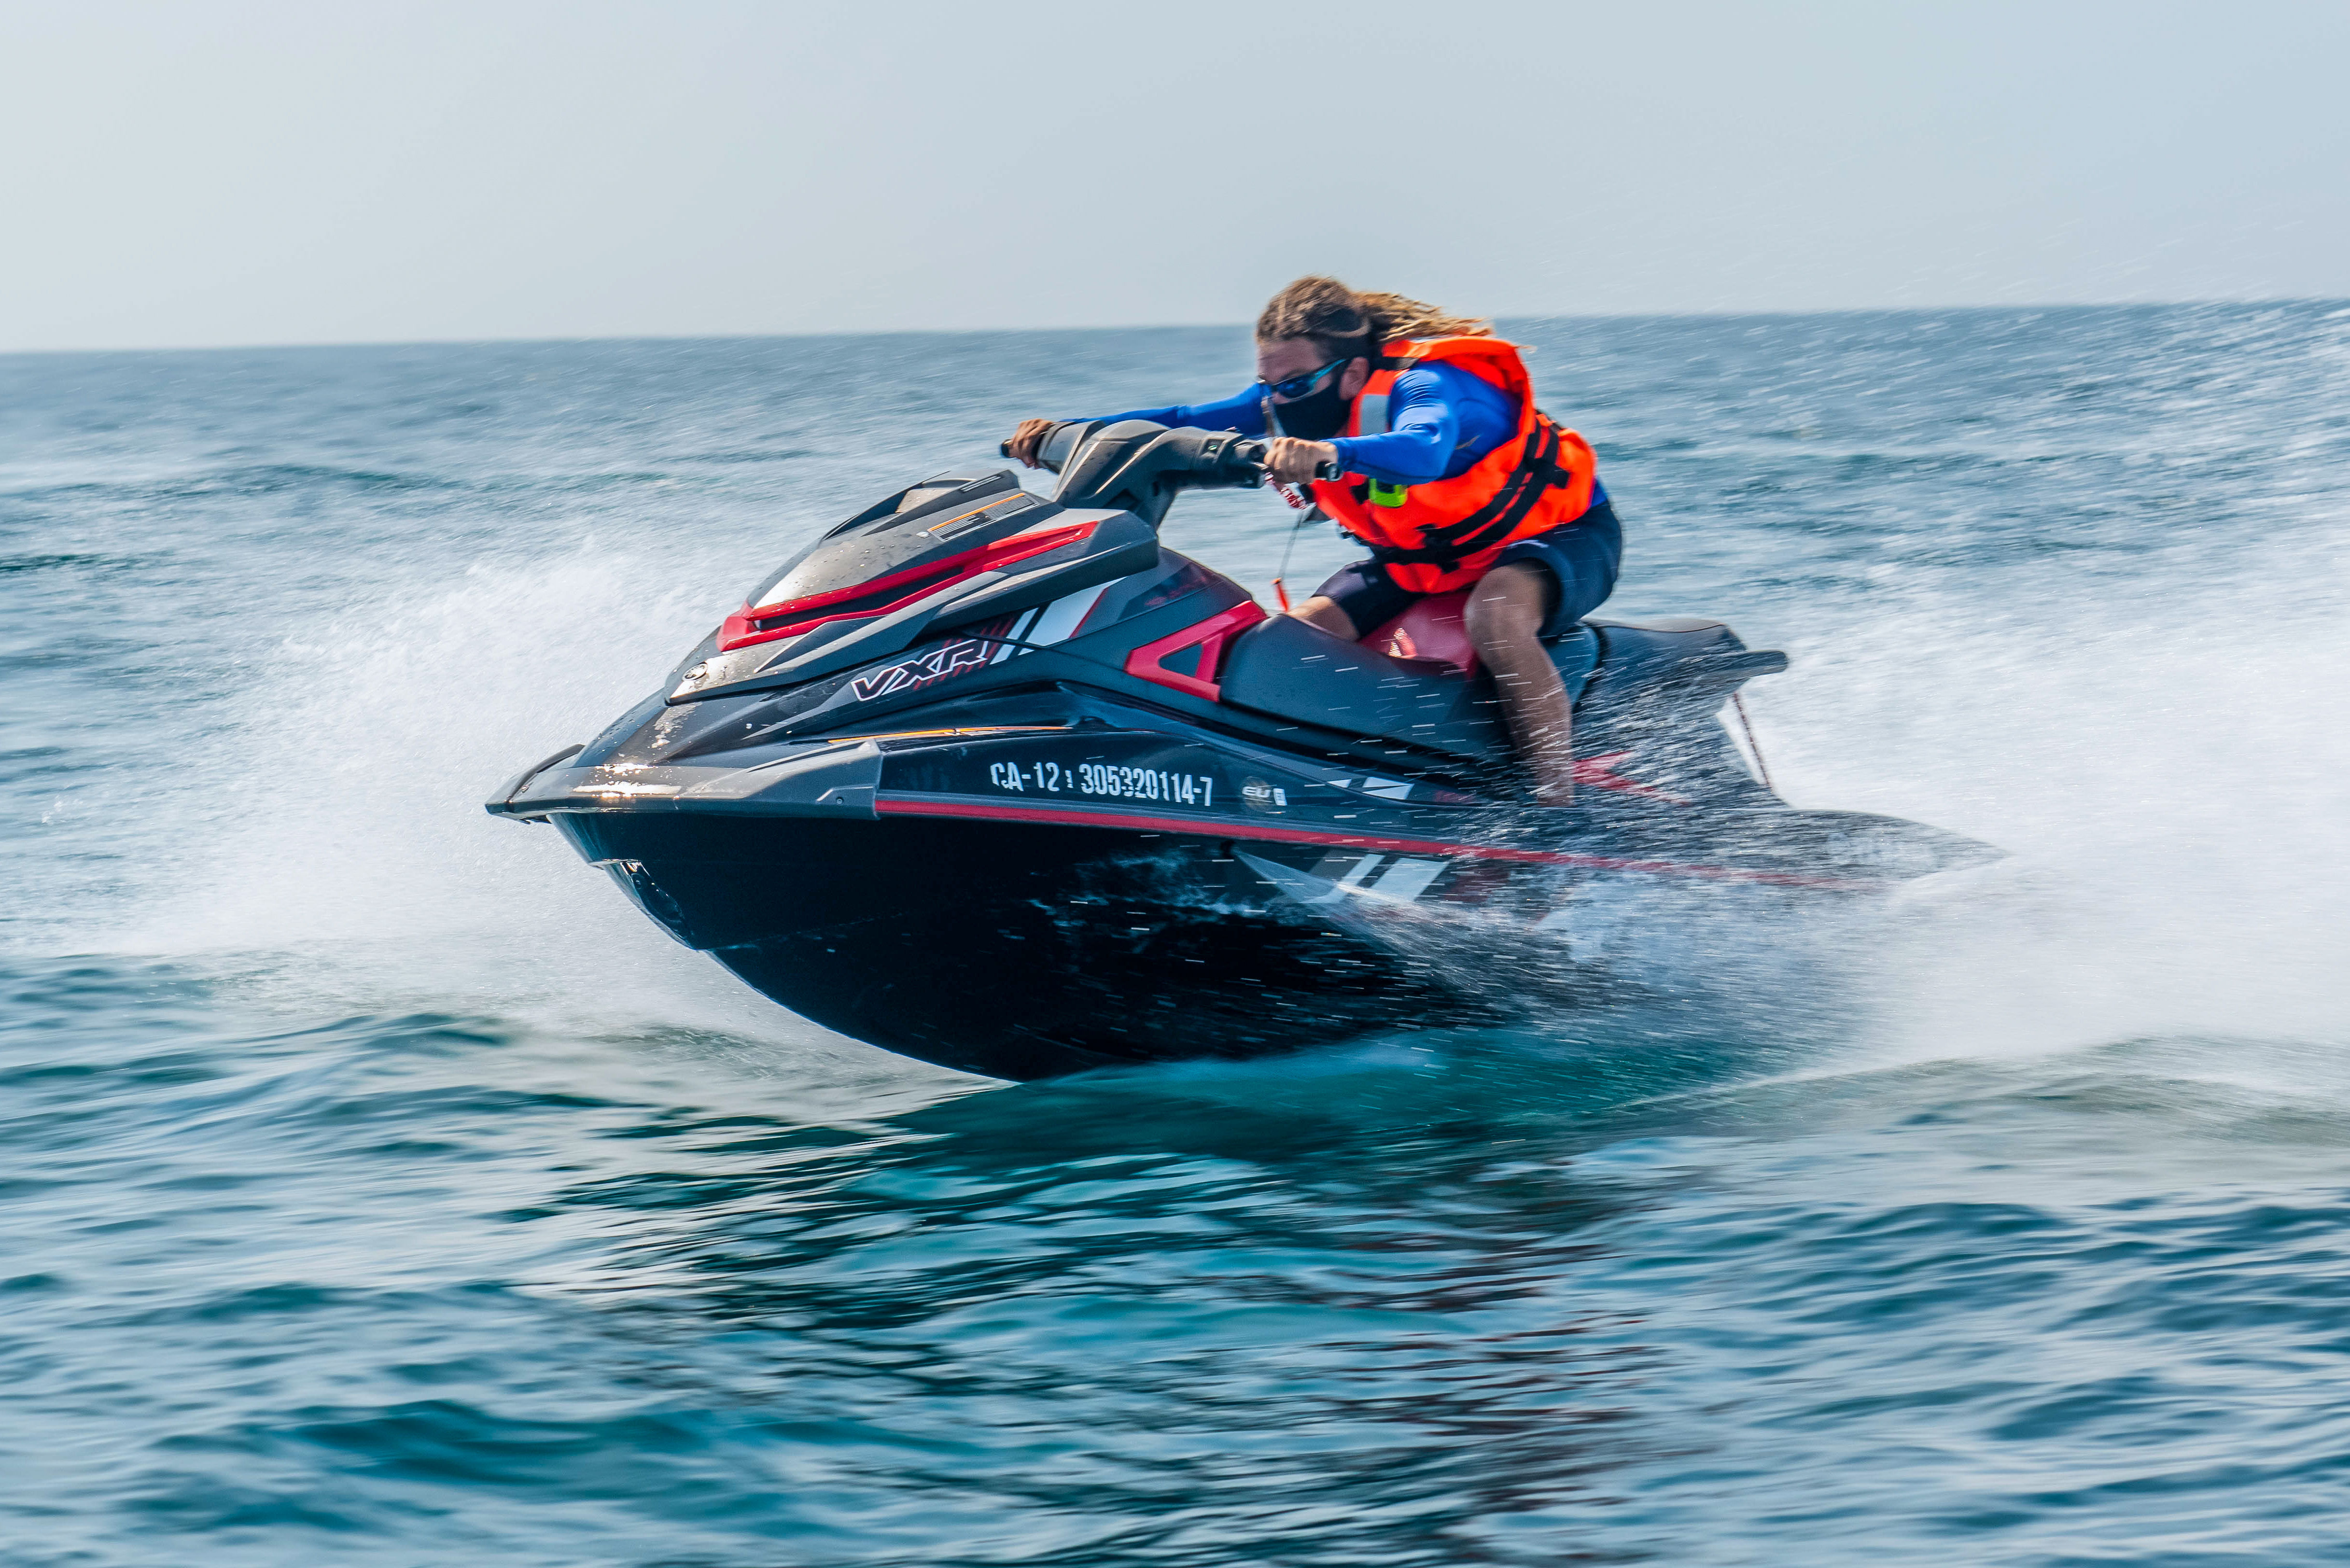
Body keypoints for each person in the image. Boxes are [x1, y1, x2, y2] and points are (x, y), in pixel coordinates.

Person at [1008, 276, 1620, 805]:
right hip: (1420, 560)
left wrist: (1330, 453)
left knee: (1495, 616)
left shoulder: (1428, 384)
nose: (1278, 401)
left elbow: (1425, 448)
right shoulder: (1284, 398)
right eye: (1268, 383)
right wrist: (1072, 432)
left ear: (1351, 373)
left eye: (1294, 384)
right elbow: (1180, 421)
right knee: (1287, 641)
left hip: (1553, 537)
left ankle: (1553, 804)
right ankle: (1316, 786)